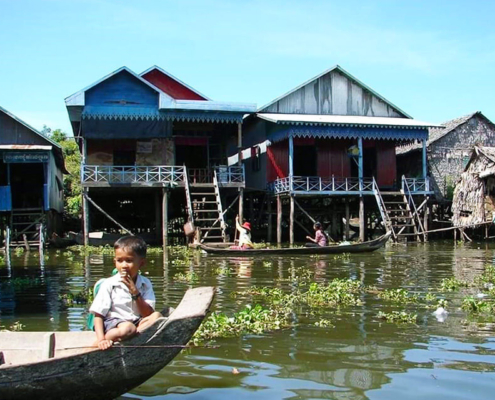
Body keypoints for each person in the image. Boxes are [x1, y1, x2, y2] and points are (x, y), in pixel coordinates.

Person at [89, 236, 162, 350]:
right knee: (128, 328)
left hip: (136, 322)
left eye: (129, 260)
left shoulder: (145, 283)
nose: (124, 265)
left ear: (141, 263)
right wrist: (101, 339)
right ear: (115, 262)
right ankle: (107, 339)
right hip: (114, 323)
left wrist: (135, 292)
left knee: (157, 316)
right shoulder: (109, 284)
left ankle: (134, 335)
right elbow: (98, 315)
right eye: (119, 260)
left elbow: (147, 314)